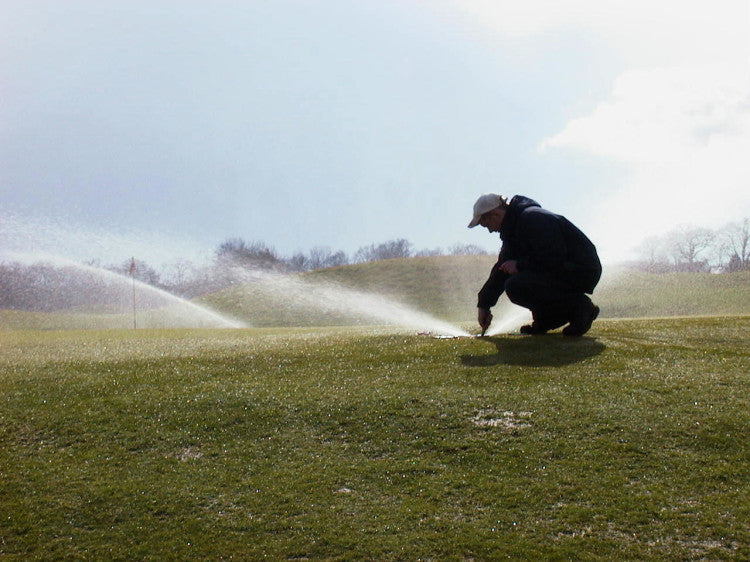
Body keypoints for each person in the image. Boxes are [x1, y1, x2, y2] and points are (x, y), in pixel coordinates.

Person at [468, 193, 602, 336]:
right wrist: (484, 305)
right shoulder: (513, 230)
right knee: (517, 283)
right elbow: (502, 269)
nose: (489, 230)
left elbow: (553, 256)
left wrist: (519, 265)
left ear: (494, 214)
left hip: (580, 269)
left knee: (517, 285)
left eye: (486, 224)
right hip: (564, 270)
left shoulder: (533, 218)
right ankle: (547, 320)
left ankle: (581, 308)